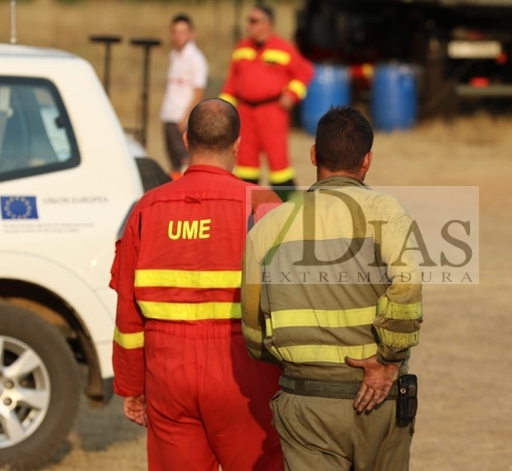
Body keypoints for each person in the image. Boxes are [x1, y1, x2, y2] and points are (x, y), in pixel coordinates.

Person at [241, 106, 423, 471]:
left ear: (313, 155)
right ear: (367, 160)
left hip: (306, 402)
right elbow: (409, 288)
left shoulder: (269, 225)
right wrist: (386, 361)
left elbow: (253, 329)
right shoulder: (386, 211)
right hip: (379, 398)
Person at [111, 99, 284, 471]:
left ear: (187, 140)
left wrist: (132, 385)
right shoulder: (264, 205)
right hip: (245, 374)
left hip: (167, 373)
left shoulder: (145, 209)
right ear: (238, 144)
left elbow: (128, 311)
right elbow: (288, 303)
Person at [218, 4, 314, 200]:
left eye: (254, 21)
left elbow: (305, 71)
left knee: (279, 165)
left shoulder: (283, 48)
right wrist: (220, 110)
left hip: (272, 112)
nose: (249, 25)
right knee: (245, 165)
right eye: (249, 21)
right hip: (245, 112)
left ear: (268, 24)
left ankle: (290, 209)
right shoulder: (241, 49)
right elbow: (231, 85)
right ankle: (246, 209)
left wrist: (292, 94)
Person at [159, 13, 208, 179]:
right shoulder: (173, 55)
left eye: (182, 32)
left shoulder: (196, 59)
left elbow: (199, 91)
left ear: (191, 34)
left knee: (185, 162)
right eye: (175, 32)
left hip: (182, 120)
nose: (178, 36)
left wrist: (186, 118)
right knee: (173, 163)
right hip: (169, 116)